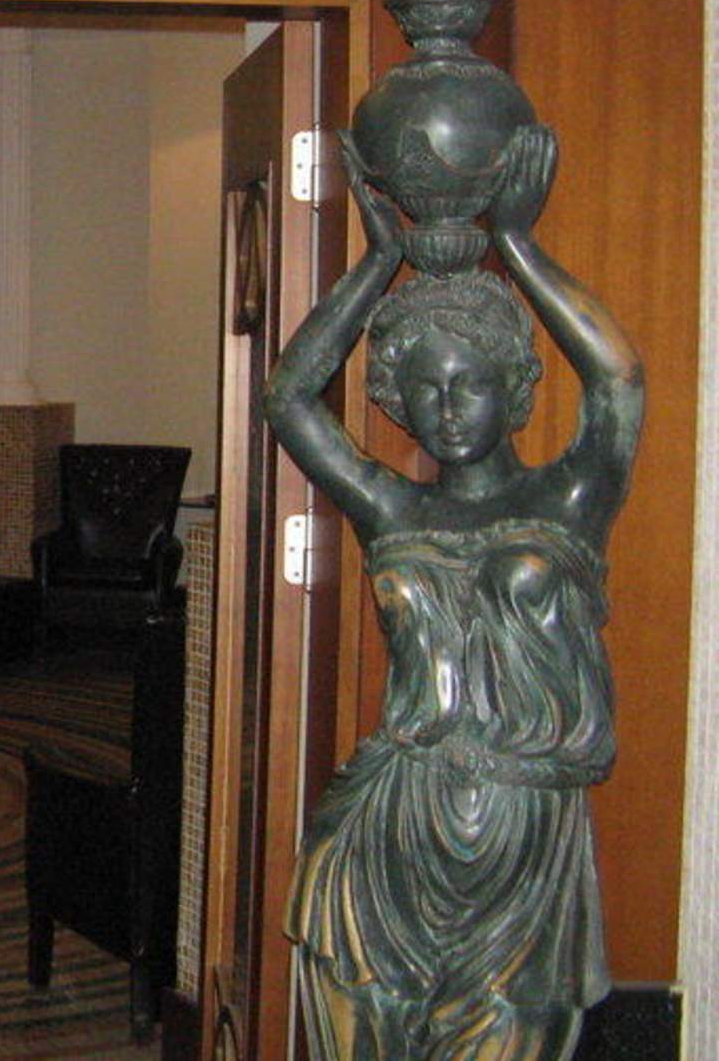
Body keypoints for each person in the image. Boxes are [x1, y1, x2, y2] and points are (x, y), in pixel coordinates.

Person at [263, 125, 641, 1061]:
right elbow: (288, 399)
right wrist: (377, 262)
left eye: (470, 383)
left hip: (526, 831)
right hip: (393, 819)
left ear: (514, 386)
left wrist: (517, 242)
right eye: (423, 387)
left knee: (510, 1032)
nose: (446, 407)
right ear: (396, 397)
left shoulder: (568, 499)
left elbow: (618, 381)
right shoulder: (393, 509)